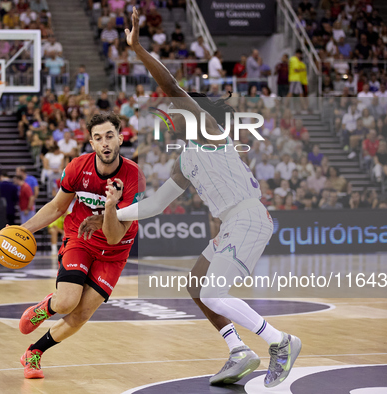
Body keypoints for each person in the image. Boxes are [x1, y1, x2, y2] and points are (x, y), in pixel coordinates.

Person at [80, 8, 302, 388]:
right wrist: (106, 213)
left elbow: (169, 85)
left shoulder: (211, 132)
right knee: (197, 285)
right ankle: (238, 351)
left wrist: (137, 49)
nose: (170, 113)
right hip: (233, 223)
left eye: (176, 108)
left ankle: (280, 342)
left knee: (214, 291)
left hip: (248, 218)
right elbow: (153, 205)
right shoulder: (186, 159)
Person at [16, 112, 145, 379]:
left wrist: (110, 206)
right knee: (66, 303)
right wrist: (21, 230)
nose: (105, 143)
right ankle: (47, 307)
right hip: (81, 238)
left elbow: (113, 236)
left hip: (115, 251)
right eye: (98, 138)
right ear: (91, 143)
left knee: (80, 315)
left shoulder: (133, 176)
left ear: (120, 138)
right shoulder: (77, 167)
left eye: (110, 136)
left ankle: (34, 353)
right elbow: (56, 207)